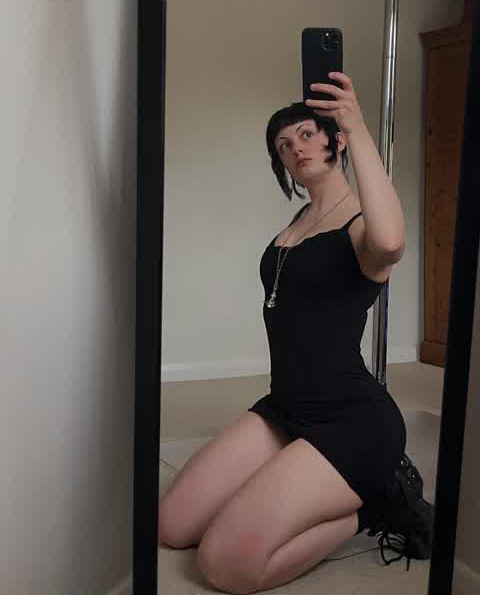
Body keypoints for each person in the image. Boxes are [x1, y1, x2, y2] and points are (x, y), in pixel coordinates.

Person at [159, 72, 431, 594]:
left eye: (307, 134)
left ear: (336, 141)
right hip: (284, 408)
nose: (296, 148)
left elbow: (391, 242)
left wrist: (355, 121)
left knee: (224, 564)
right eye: (284, 144)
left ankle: (380, 503)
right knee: (173, 527)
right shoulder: (300, 220)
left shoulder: (360, 225)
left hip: (353, 422)